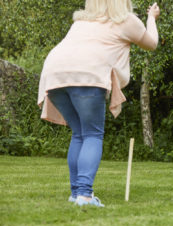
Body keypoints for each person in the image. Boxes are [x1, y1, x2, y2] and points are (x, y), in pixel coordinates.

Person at [37, 0, 160, 207]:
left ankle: (76, 193)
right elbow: (152, 43)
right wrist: (151, 18)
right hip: (87, 74)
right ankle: (85, 195)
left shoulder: (80, 22)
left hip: (54, 75)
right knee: (92, 134)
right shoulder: (126, 20)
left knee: (79, 133)